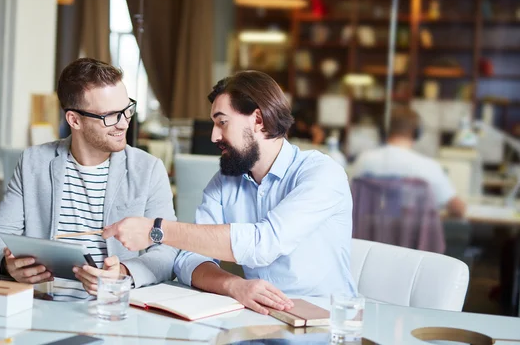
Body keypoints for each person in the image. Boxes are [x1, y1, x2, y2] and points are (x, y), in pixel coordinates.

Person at [102, 70, 357, 315]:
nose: (214, 136)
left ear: (258, 120)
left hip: (325, 323)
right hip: (261, 321)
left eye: (222, 123)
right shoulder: (224, 182)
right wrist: (235, 286)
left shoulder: (323, 174)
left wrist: (156, 229)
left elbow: (263, 243)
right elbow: (188, 259)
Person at [0, 58, 178, 299]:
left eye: (127, 110)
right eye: (111, 116)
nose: (124, 123)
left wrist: (123, 273)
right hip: (41, 305)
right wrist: (7, 265)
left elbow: (168, 250)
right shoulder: (34, 162)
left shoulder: (148, 169)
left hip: (113, 310)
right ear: (74, 120)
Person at [349, 105, 465, 217]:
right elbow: (458, 209)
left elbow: (347, 198)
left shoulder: (363, 160)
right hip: (415, 237)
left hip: (367, 235)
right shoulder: (428, 167)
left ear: (382, 130)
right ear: (417, 132)